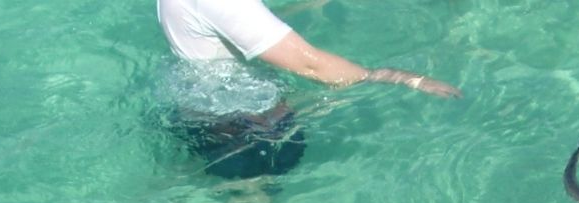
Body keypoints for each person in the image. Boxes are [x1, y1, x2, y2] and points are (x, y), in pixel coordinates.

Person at [158, 0, 461, 179]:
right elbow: (312, 66)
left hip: (210, 114)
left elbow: (229, 28)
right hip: (246, 137)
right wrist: (400, 78)